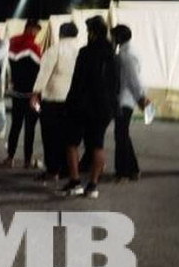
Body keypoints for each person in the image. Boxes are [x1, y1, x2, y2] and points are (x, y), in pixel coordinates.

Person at [61, 15, 120, 199]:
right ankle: (93, 185)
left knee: (71, 143)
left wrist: (70, 102)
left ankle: (75, 182)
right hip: (103, 108)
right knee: (97, 145)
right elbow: (115, 83)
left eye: (89, 31)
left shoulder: (86, 52)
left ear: (92, 33)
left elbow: (78, 81)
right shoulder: (112, 54)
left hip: (82, 106)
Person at [32, 21, 79, 182]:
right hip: (73, 100)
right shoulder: (80, 50)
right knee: (68, 138)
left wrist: (35, 93)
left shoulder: (54, 50)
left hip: (53, 98)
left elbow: (44, 73)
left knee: (51, 137)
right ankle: (67, 169)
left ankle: (53, 170)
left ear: (61, 34)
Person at [112, 24, 150, 181]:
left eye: (113, 36)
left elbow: (133, 80)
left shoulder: (126, 56)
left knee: (121, 135)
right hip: (126, 98)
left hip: (124, 100)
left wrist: (142, 98)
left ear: (118, 38)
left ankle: (123, 172)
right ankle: (133, 169)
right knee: (123, 135)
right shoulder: (128, 52)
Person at [3, 19, 43, 168]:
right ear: (31, 29)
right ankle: (28, 159)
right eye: (36, 30)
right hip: (31, 94)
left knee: (15, 125)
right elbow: (40, 70)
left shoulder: (13, 43)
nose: (37, 34)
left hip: (17, 92)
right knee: (30, 127)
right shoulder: (34, 47)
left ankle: (10, 157)